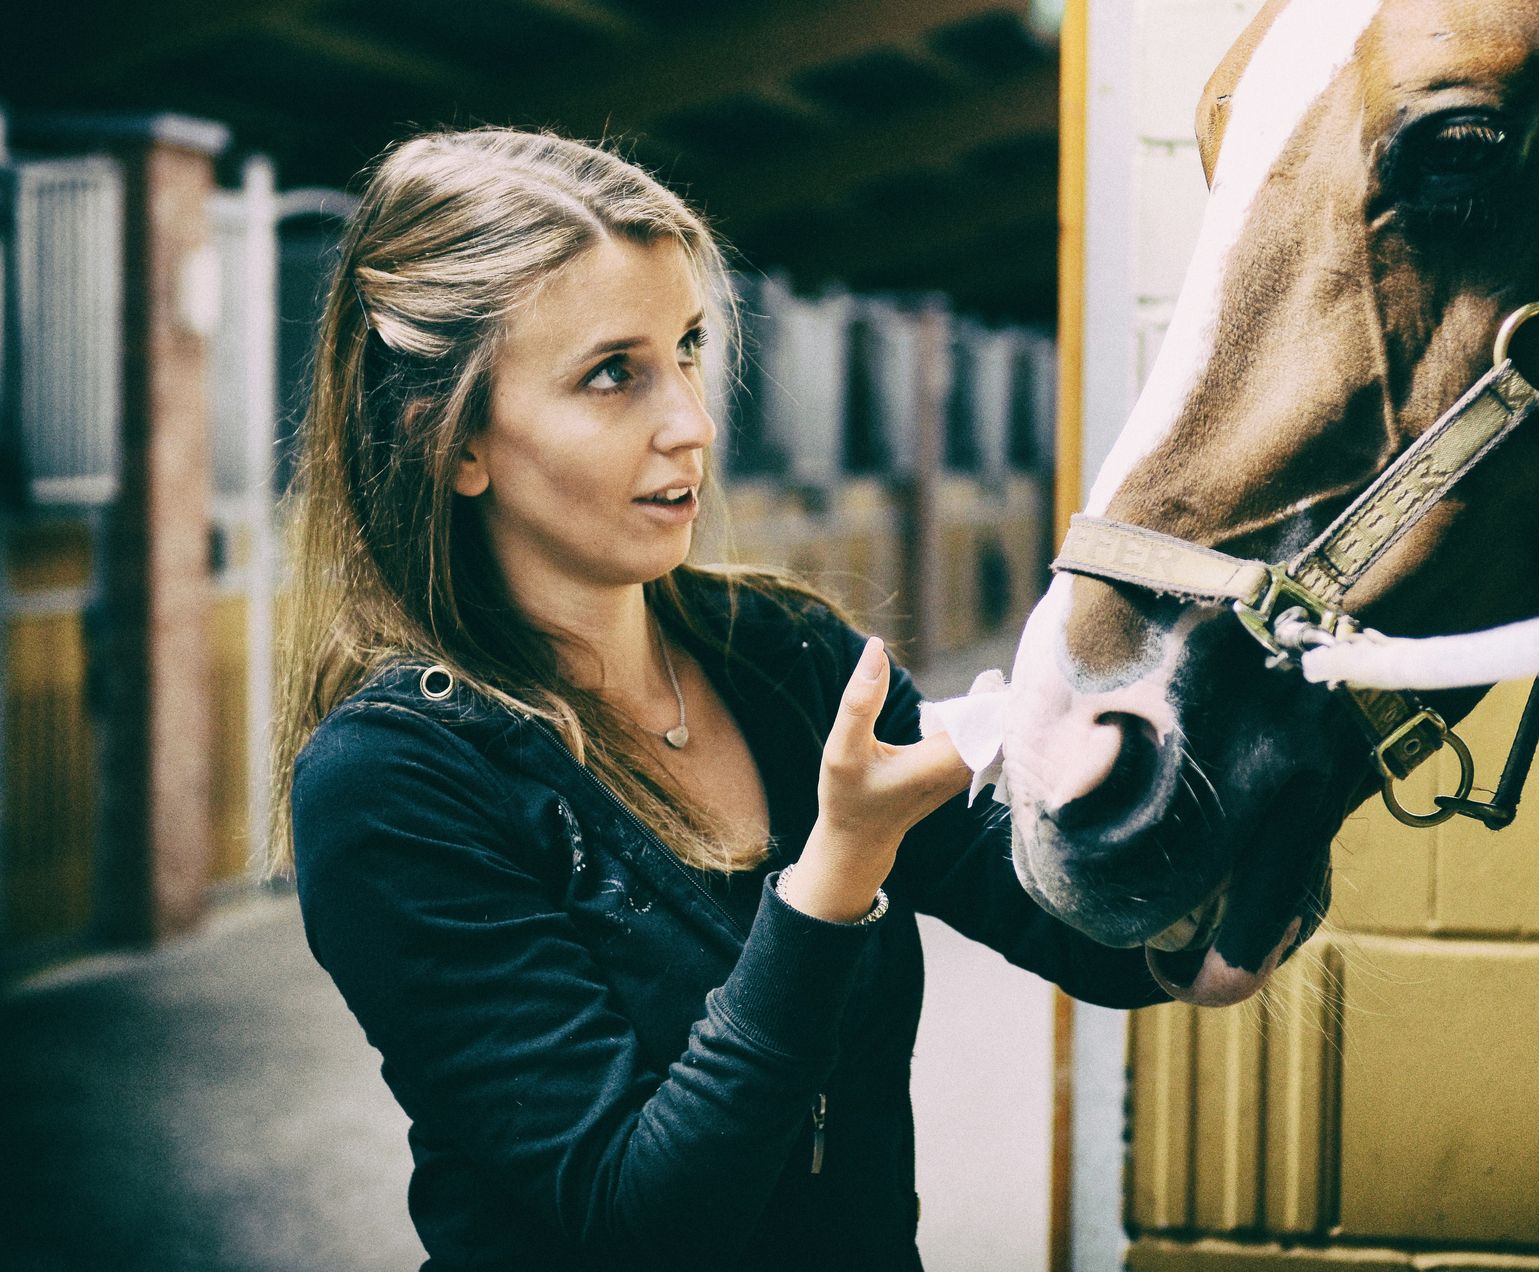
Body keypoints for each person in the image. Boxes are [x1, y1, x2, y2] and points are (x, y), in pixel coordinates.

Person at [268, 127, 1165, 1272]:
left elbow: (1101, 938)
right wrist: (839, 867)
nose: (690, 419)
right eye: (613, 374)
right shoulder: (393, 784)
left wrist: (1239, 751)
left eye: (686, 349)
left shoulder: (776, 656)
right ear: (451, 443)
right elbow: (639, 1215)